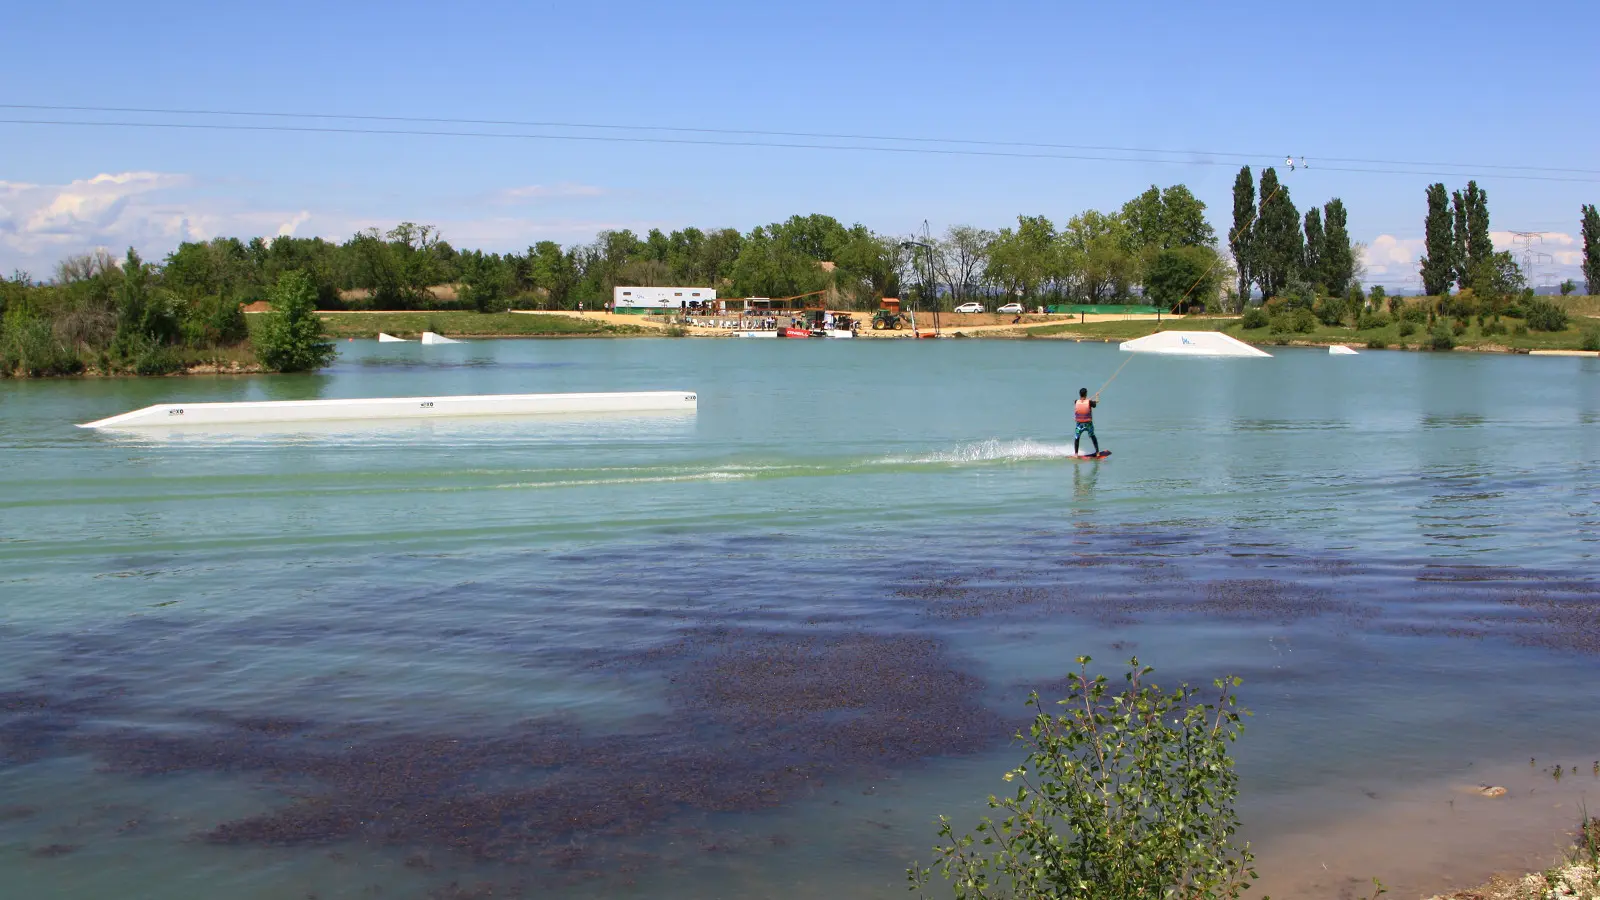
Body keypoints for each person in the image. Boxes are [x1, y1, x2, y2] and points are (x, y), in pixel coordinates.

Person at [1073, 387, 1100, 457]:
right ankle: (1097, 452)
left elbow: (1083, 403)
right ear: (1086, 394)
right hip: (1088, 424)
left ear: (1080, 394)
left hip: (1079, 425)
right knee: (1092, 436)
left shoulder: (1076, 401)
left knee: (1077, 438)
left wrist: (1088, 400)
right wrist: (1097, 396)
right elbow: (1095, 404)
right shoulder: (1089, 402)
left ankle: (1076, 454)